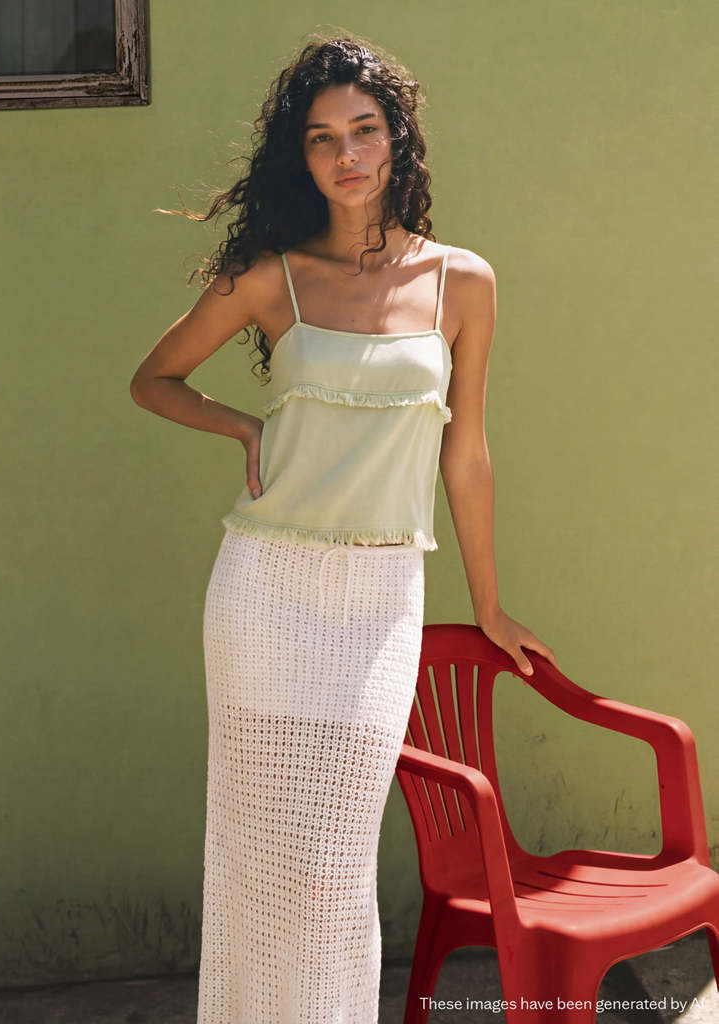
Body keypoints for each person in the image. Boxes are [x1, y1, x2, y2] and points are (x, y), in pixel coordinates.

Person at [130, 33, 559, 1024]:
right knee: (259, 855)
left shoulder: (462, 282)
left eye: (364, 130)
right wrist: (244, 426)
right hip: (263, 589)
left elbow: (466, 455)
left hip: (378, 599)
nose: (346, 154)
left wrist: (489, 605)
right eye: (322, 138)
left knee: (330, 862)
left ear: (397, 139)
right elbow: (153, 379)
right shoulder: (270, 277)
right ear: (303, 156)